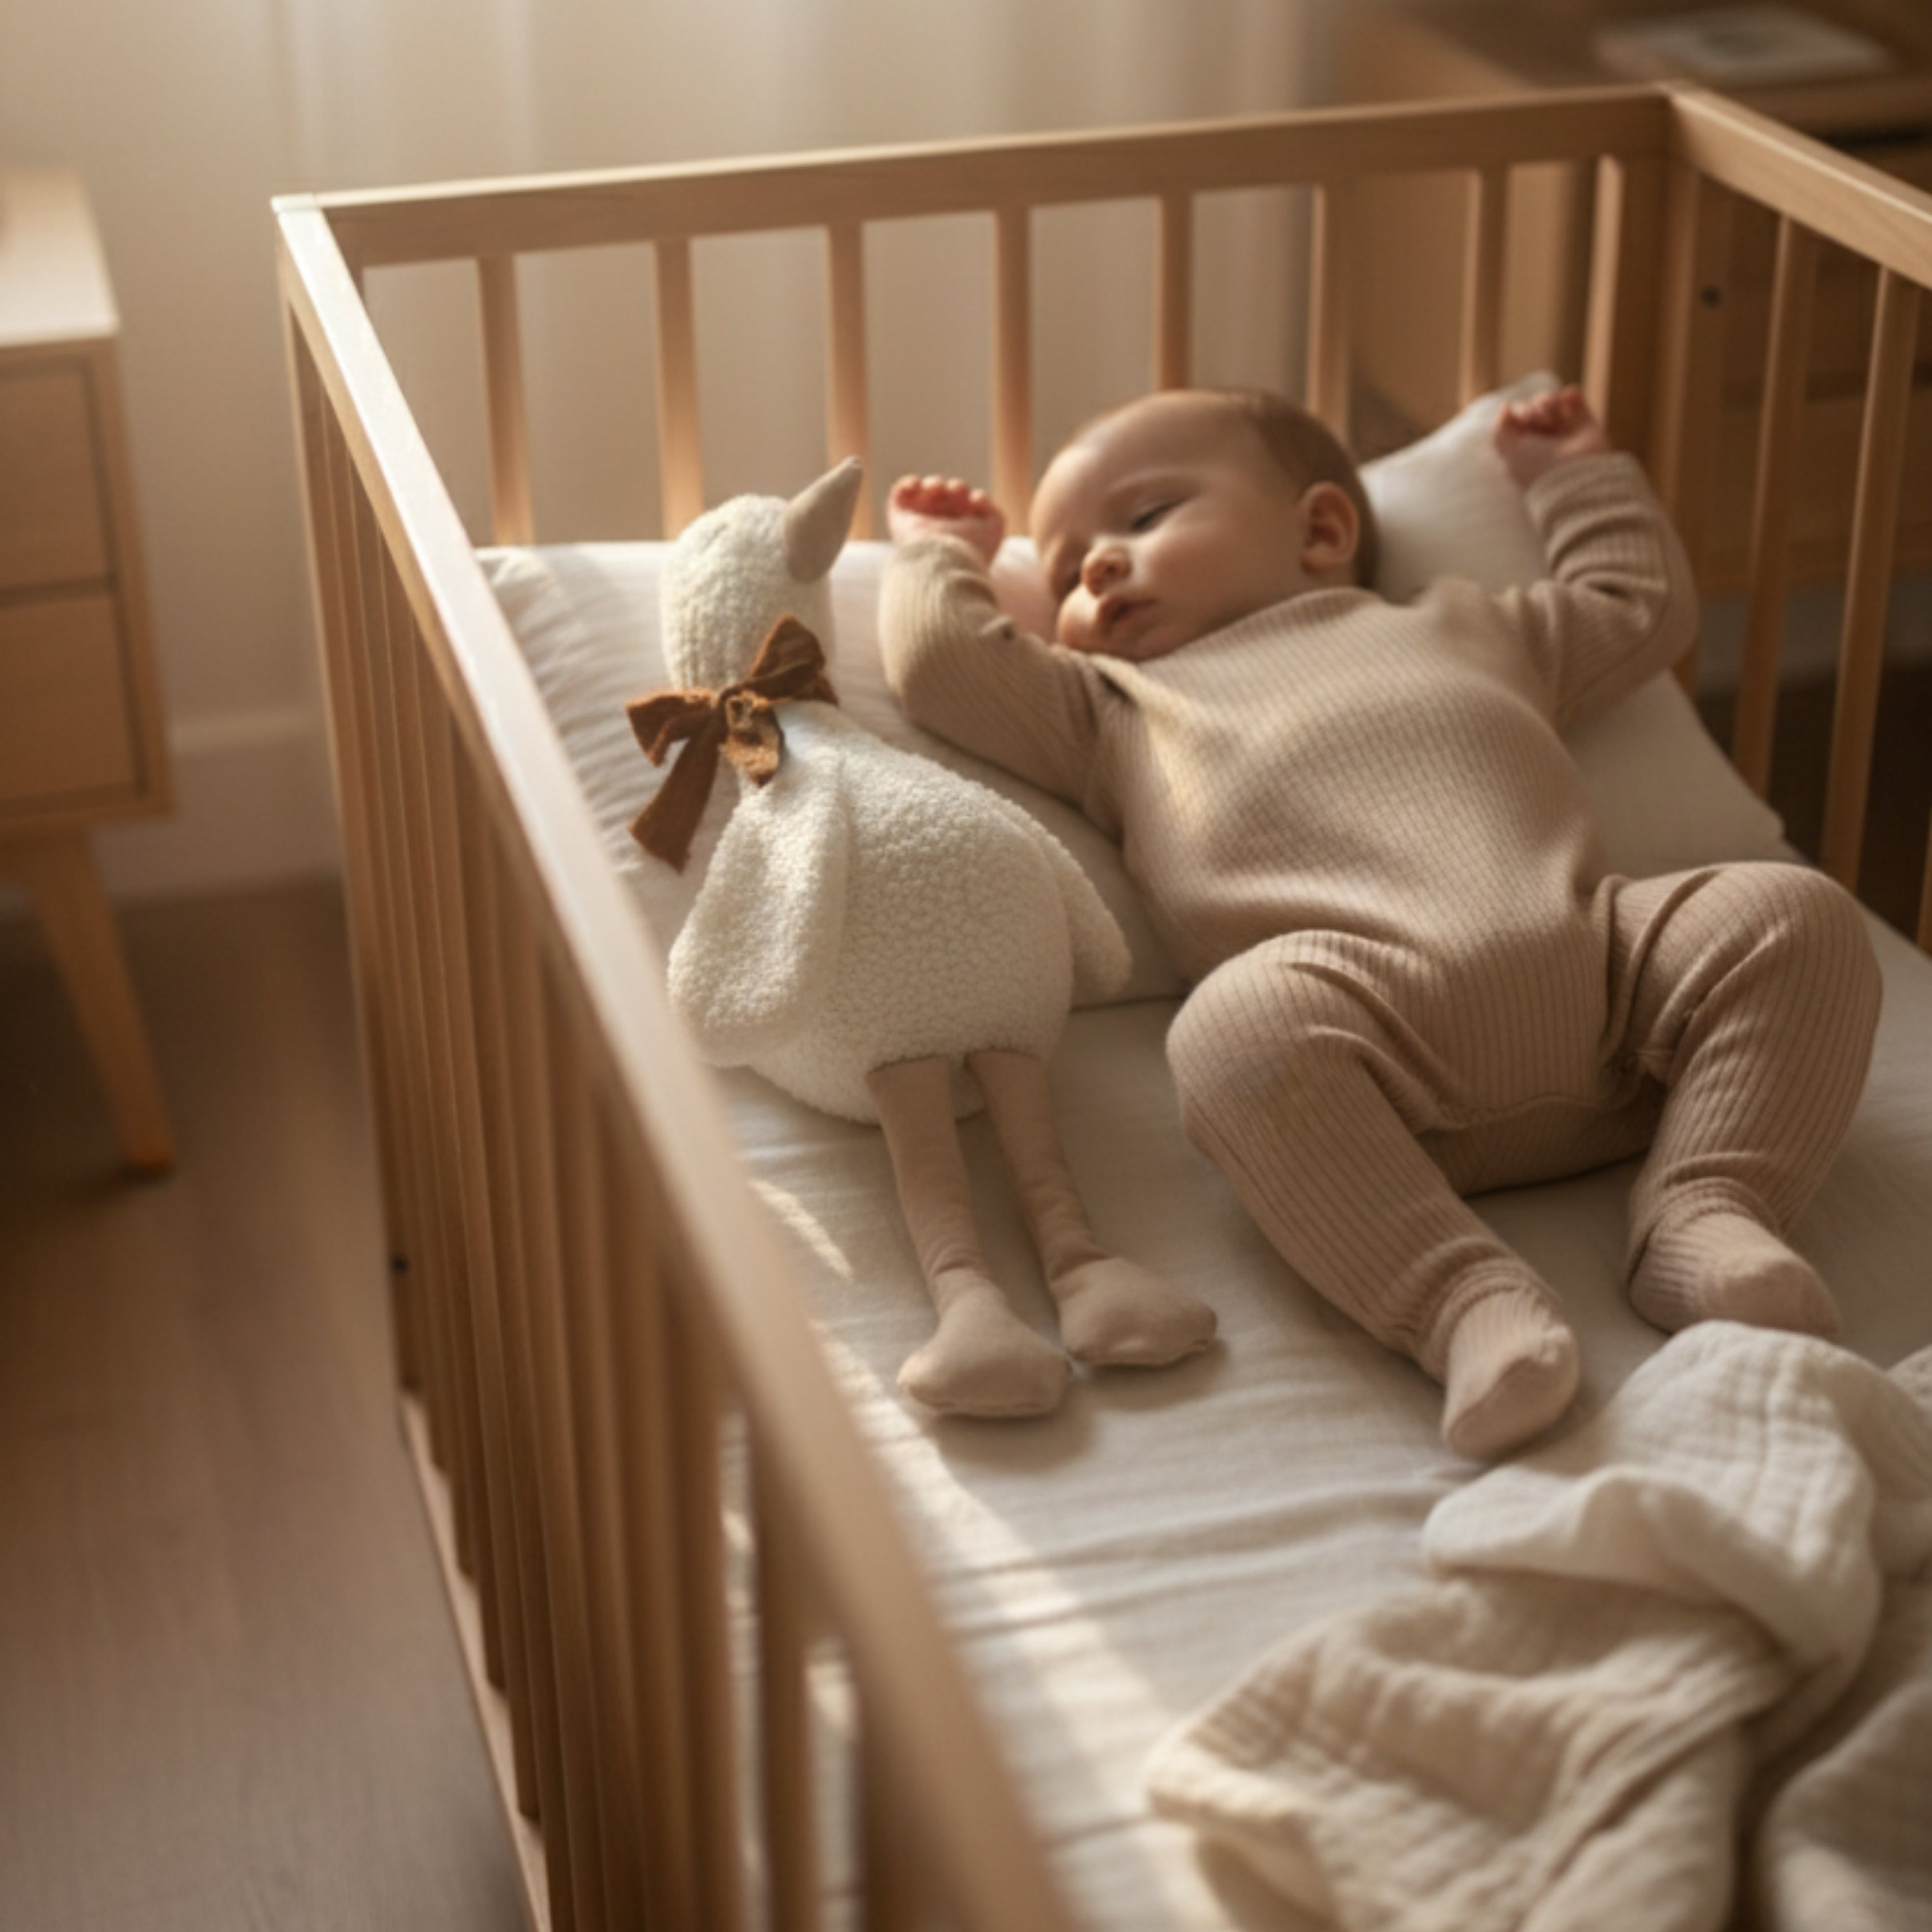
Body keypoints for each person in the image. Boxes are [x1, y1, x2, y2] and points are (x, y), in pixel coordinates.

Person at [879, 384, 1881, 1459]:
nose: (1097, 570)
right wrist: (940, 554)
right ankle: (1464, 1301)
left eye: (1142, 519)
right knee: (1230, 1033)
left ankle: (1703, 1205)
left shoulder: (1471, 623)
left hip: (1613, 987)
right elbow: (949, 664)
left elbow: (1638, 603)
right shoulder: (1114, 708)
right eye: (1069, 571)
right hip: (1376, 1047)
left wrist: (1579, 478)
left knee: (1796, 918)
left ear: (1321, 529)